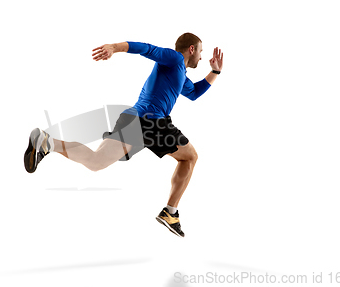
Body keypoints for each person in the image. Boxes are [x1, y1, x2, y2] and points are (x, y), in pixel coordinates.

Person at [24, 33, 224, 237]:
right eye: (200, 51)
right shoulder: (174, 59)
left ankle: (47, 142)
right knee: (190, 157)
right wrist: (114, 47)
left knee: (95, 162)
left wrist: (215, 71)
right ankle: (170, 212)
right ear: (191, 49)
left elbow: (194, 93)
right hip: (152, 122)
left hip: (134, 118)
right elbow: (146, 48)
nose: (201, 56)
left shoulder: (180, 73)